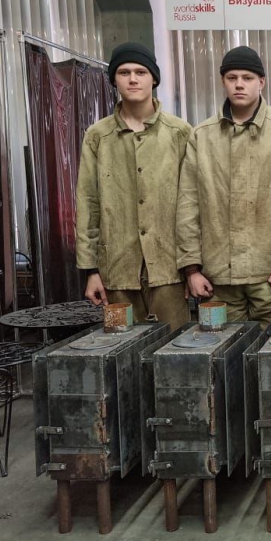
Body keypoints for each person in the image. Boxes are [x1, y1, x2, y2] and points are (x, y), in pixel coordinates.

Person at [176, 46, 271, 326]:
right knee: (222, 352)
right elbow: (188, 203)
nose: (239, 84)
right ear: (223, 81)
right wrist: (192, 269)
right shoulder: (202, 136)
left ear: (261, 82)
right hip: (218, 280)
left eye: (247, 78)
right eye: (232, 77)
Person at [75, 42, 191, 329]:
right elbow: (88, 202)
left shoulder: (180, 133)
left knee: (175, 347)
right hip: (117, 269)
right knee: (120, 347)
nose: (133, 79)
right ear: (114, 79)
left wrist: (193, 267)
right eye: (124, 72)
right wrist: (90, 270)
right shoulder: (98, 136)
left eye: (141, 72)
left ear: (154, 79)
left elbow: (193, 202)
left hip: (170, 268)